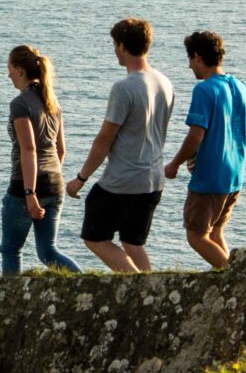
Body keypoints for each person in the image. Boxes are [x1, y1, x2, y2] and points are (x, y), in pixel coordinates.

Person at [68, 16, 175, 272]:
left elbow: (105, 139)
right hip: (153, 178)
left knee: (94, 237)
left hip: (123, 180)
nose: (114, 50)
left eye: (115, 45)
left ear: (122, 46)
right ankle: (150, 293)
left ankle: (134, 284)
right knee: (133, 242)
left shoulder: (124, 88)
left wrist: (81, 178)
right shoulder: (164, 82)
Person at [166, 29, 246, 268]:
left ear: (199, 57)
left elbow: (196, 135)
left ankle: (238, 281)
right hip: (234, 175)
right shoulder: (239, 86)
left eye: (190, 59)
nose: (189, 66)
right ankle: (234, 276)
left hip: (210, 176)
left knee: (196, 235)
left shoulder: (204, 89)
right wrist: (228, 130)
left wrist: (174, 164)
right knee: (215, 233)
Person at [1, 44, 81, 273]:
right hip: (54, 182)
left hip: (25, 185)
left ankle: (9, 304)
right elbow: (60, 150)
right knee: (48, 251)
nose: (7, 74)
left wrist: (30, 193)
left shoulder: (20, 104)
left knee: (11, 249)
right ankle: (85, 283)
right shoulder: (52, 102)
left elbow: (28, 149)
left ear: (18, 70)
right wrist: (48, 179)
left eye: (9, 68)